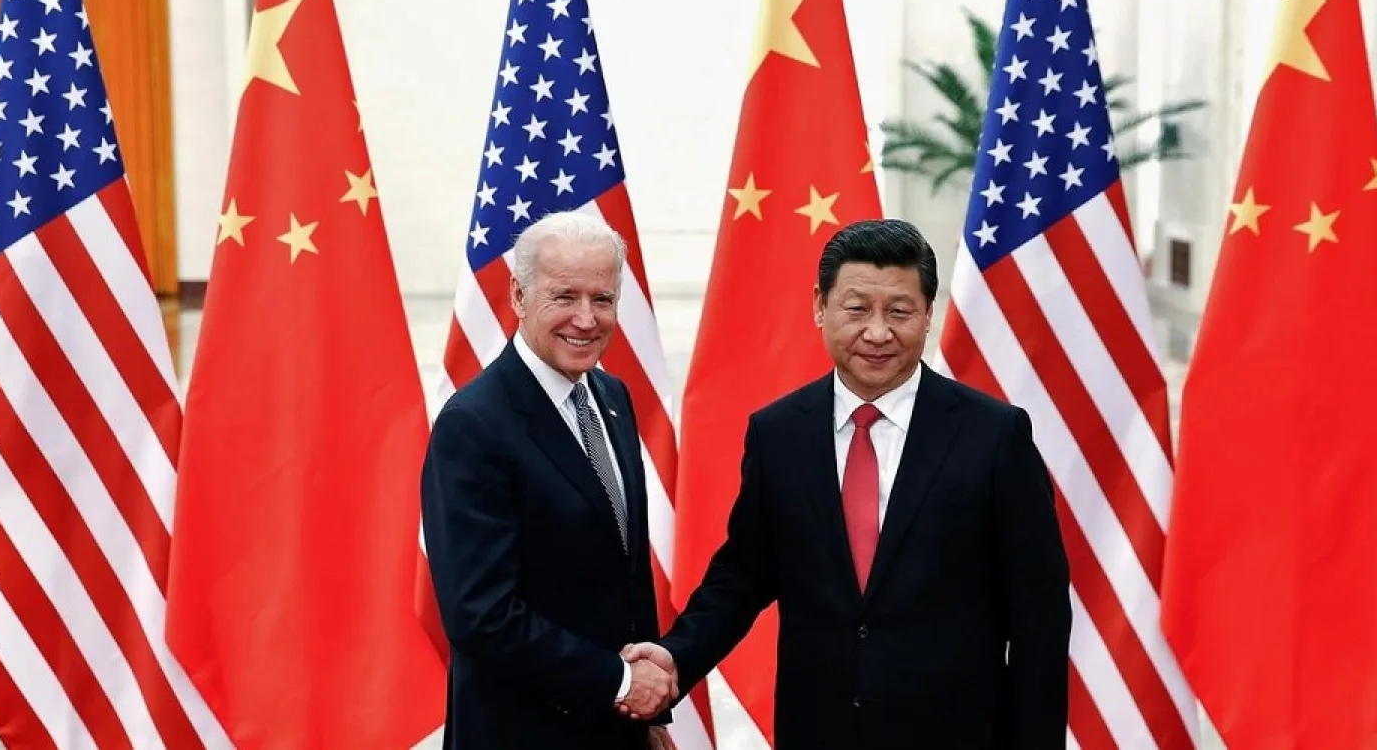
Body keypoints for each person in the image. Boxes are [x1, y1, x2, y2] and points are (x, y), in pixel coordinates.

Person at [625, 219, 1072, 749]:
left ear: (928, 313)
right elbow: (742, 578)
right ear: (820, 306)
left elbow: (1039, 620)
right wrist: (674, 659)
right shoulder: (778, 433)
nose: (878, 332)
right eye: (857, 309)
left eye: (899, 311)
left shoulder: (995, 435)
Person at [422, 211, 676, 750]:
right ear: (518, 296)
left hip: (615, 728)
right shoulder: (474, 424)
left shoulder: (613, 399)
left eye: (603, 299)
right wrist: (622, 683)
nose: (586, 319)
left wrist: (648, 713)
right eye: (564, 297)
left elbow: (624, 573)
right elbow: (480, 615)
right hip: (518, 731)